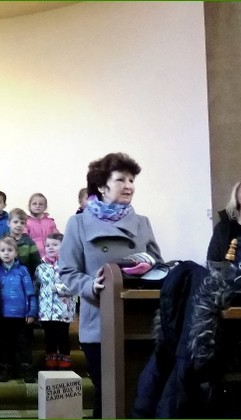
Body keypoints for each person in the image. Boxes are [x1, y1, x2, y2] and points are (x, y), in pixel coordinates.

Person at [58, 152, 162, 419]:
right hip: (99, 323)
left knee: (138, 392)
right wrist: (92, 285)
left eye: (131, 180)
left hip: (138, 323)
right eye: (121, 180)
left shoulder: (142, 223)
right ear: (102, 186)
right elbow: (67, 271)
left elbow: (158, 266)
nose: (129, 186)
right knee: (107, 394)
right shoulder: (79, 223)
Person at [0, 237, 37, 383]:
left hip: (21, 316)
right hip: (2, 315)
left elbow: (30, 293)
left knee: (23, 343)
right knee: (5, 344)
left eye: (10, 250)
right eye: (3, 250)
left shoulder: (22, 271)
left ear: (16, 252)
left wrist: (31, 312)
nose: (6, 253)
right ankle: (5, 369)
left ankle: (27, 370)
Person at [36, 232, 75, 370]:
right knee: (49, 337)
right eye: (47, 245)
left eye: (55, 245)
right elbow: (37, 286)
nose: (50, 247)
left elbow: (74, 285)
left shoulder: (68, 266)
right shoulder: (41, 267)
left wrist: (58, 288)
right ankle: (51, 362)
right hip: (46, 311)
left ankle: (65, 362)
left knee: (62, 336)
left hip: (63, 310)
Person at [6, 208, 41, 277]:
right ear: (8, 223)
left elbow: (36, 262)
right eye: (15, 222)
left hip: (25, 277)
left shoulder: (29, 242)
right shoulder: (3, 241)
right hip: (7, 276)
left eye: (22, 223)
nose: (19, 225)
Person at [25, 193, 60, 258]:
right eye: (34, 203)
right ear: (29, 206)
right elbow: (24, 240)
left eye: (41, 204)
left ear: (45, 207)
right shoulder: (26, 222)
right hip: (33, 256)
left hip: (49, 257)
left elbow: (57, 239)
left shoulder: (50, 222)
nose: (37, 206)